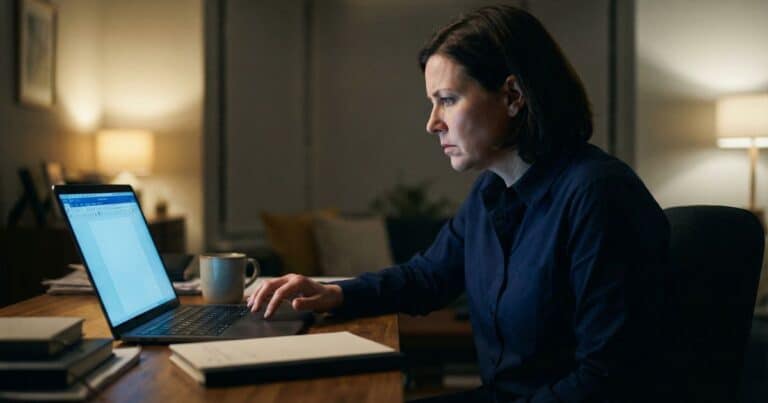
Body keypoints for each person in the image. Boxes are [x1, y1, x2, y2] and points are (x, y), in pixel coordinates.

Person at [247, 5, 669, 402]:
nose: (432, 123)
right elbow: (428, 277)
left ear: (512, 96)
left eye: (447, 100)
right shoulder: (490, 191)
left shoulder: (598, 195)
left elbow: (606, 378)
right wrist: (334, 293)